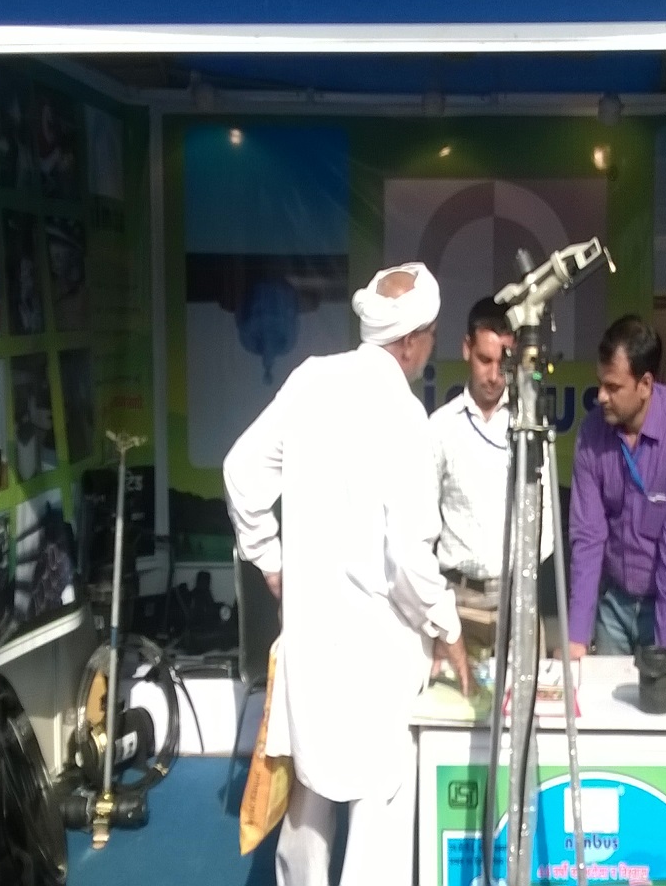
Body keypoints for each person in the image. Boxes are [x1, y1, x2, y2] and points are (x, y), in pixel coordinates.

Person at [223, 262, 474, 886]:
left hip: (312, 643)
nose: (432, 345)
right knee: (377, 817)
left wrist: (271, 560)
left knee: (308, 800)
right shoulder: (405, 416)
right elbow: (409, 559)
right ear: (410, 341)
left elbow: (240, 472)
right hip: (377, 657)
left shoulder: (311, 380)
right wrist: (447, 626)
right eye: (432, 335)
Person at [563, 314, 666, 658]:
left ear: (645, 385)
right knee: (605, 692)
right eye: (600, 383)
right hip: (615, 601)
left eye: (613, 387)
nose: (601, 396)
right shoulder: (591, 434)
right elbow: (588, 537)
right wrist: (577, 636)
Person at [428, 297, 554, 648]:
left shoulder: (530, 425)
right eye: (485, 360)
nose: (495, 376)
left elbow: (544, 515)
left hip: (516, 600)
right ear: (466, 349)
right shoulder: (441, 427)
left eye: (504, 363)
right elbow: (421, 521)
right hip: (457, 600)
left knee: (528, 686)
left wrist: (523, 574)